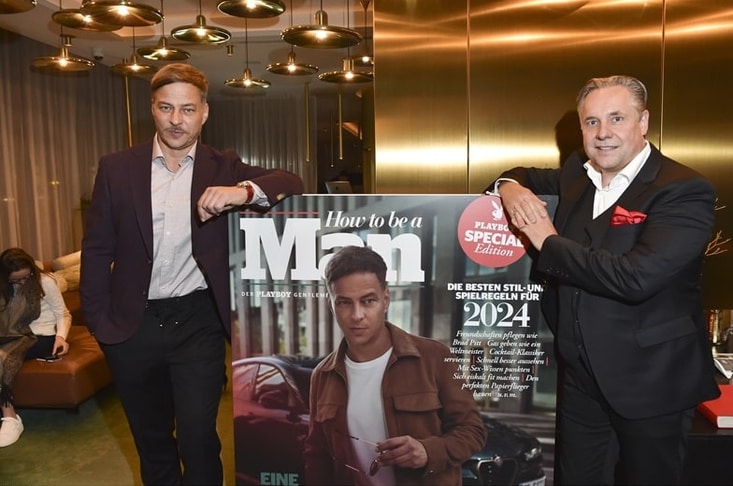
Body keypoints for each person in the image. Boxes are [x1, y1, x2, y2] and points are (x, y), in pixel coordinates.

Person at [80, 63, 303, 486]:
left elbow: (291, 181)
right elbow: (96, 249)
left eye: (187, 109)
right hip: (131, 325)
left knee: (198, 437)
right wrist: (98, 321)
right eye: (166, 108)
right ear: (153, 108)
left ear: (204, 112)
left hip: (197, 322)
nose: (176, 120)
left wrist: (242, 192)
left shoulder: (224, 166)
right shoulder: (117, 168)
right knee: (152, 441)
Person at [490, 75, 719, 485]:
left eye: (616, 118)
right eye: (592, 121)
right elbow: (513, 175)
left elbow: (635, 277)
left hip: (652, 382)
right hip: (581, 382)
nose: (603, 133)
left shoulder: (683, 189)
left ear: (643, 121)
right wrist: (510, 189)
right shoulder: (576, 176)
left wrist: (546, 240)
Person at [304, 245, 486, 485]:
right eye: (345, 303)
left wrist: (428, 451)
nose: (357, 315)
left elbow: (473, 430)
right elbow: (317, 456)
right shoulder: (322, 375)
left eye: (368, 301)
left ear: (385, 300)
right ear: (331, 305)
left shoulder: (434, 357)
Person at [0, 247, 71, 447]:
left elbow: (63, 314)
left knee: (2, 355)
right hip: (10, 334)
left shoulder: (45, 282)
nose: (23, 282)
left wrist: (61, 337)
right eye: (16, 280)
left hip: (40, 336)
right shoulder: (3, 288)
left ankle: (10, 417)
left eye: (26, 277)